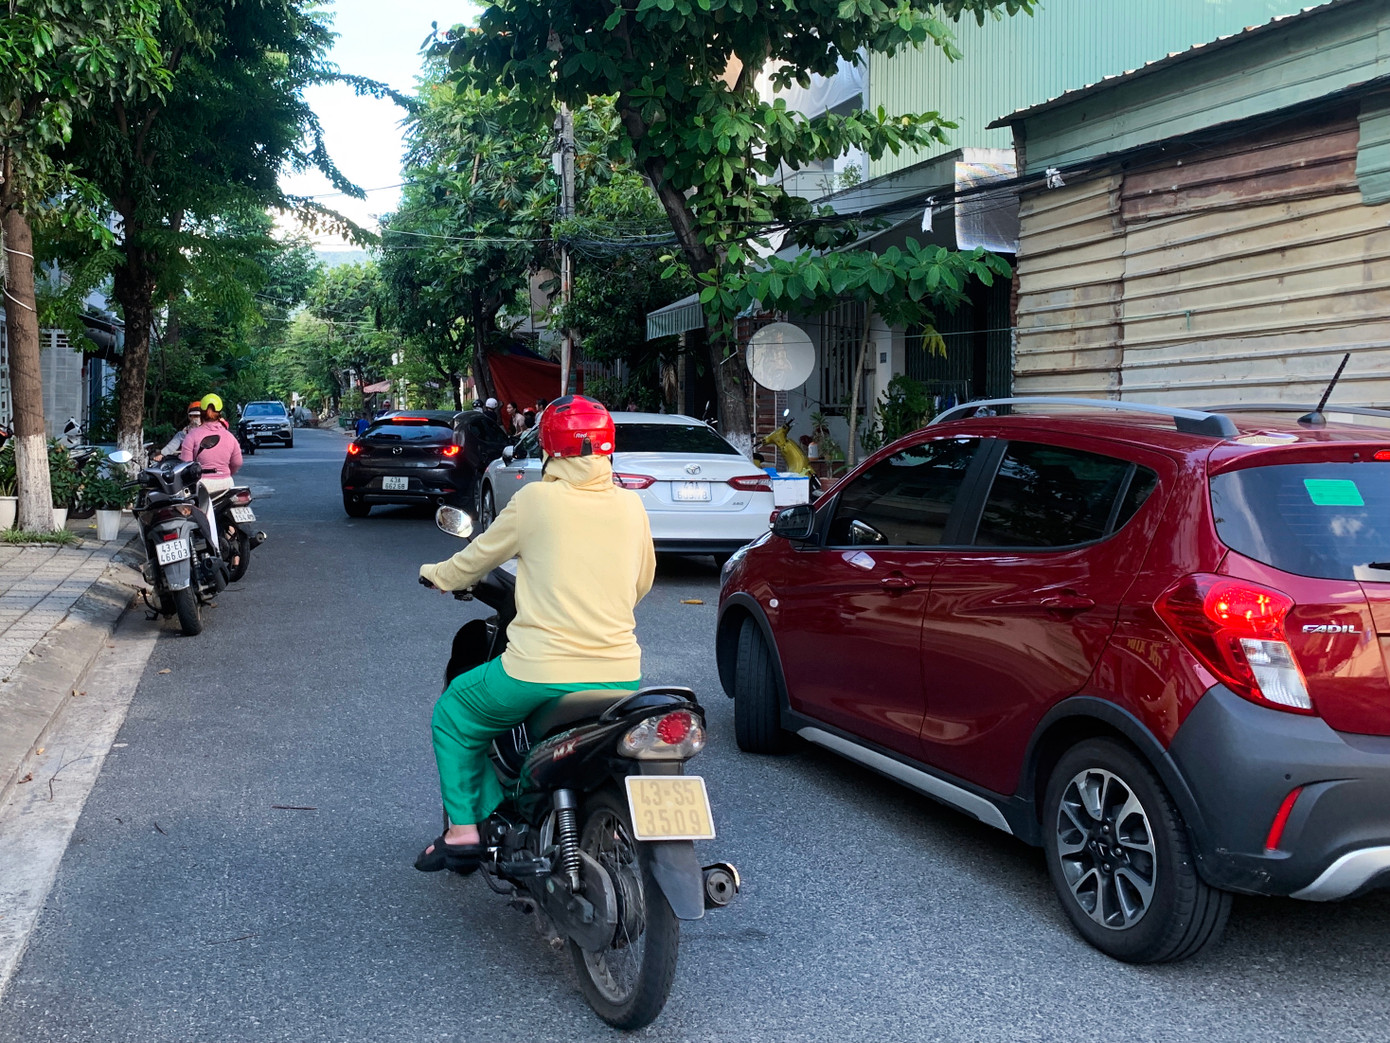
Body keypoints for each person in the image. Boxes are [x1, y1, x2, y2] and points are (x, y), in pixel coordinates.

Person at [414, 395, 655, 872]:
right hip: (621, 673)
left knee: (454, 714)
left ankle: (464, 831)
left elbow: (478, 557)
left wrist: (438, 574)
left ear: (549, 448)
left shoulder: (535, 501)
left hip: (539, 671)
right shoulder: (632, 505)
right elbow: (641, 582)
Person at [180, 394, 243, 494]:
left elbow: (185, 465)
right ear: (220, 414)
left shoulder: (192, 435)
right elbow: (237, 462)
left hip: (201, 485)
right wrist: (224, 473)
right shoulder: (230, 437)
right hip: (226, 484)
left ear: (201, 413)